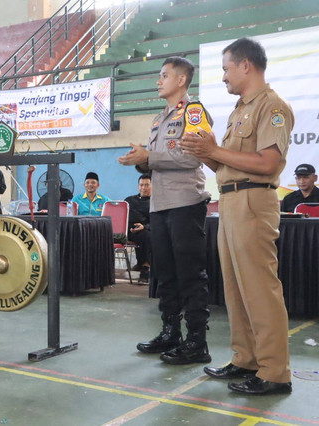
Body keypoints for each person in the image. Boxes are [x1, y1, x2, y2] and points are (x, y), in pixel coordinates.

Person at [181, 38, 294, 395]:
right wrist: (206, 152)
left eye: (227, 68)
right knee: (235, 288)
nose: (224, 76)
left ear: (246, 65)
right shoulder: (238, 111)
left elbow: (269, 163)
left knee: (260, 289)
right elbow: (227, 163)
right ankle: (246, 358)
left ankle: (275, 372)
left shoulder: (272, 107)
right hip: (229, 202)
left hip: (253, 203)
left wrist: (215, 149)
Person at [118, 56, 212, 365]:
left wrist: (151, 157)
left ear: (181, 80)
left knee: (190, 275)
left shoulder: (194, 113)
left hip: (185, 203)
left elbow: (193, 158)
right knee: (166, 275)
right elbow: (156, 160)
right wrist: (141, 159)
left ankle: (197, 342)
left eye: (164, 75)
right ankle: (170, 333)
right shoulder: (159, 119)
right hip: (160, 205)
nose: (158, 81)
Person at [124, 174, 152, 283]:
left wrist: (144, 226)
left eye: (147, 185)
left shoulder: (155, 202)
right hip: (127, 230)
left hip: (145, 229)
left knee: (147, 236)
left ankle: (145, 268)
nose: (143, 188)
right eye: (141, 185)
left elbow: (157, 221)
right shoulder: (129, 200)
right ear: (138, 186)